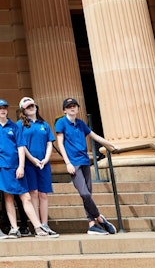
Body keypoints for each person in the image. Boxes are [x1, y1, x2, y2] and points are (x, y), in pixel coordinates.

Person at [55, 97, 119, 235]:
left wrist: (111, 145)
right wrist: (67, 163)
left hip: (84, 161)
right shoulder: (61, 123)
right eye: (69, 106)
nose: (72, 108)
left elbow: (94, 136)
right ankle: (100, 218)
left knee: (87, 195)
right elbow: (60, 144)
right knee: (84, 193)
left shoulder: (81, 123)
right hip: (73, 163)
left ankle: (91, 225)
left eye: (74, 106)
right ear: (64, 110)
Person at [0, 98, 46, 238]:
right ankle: (14, 228)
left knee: (26, 196)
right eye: (0, 108)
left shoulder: (14, 126)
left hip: (16, 166)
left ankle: (38, 226)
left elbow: (20, 147)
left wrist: (21, 166)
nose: (3, 110)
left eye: (5, 107)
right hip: (0, 166)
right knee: (8, 197)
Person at [17, 97, 58, 237]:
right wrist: (32, 159)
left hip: (43, 164)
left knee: (43, 194)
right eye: (28, 107)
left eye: (32, 106)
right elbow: (21, 145)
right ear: (23, 110)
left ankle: (45, 224)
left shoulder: (44, 124)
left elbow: (49, 142)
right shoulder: (20, 125)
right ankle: (37, 225)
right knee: (33, 193)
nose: (31, 108)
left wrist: (46, 159)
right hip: (29, 164)